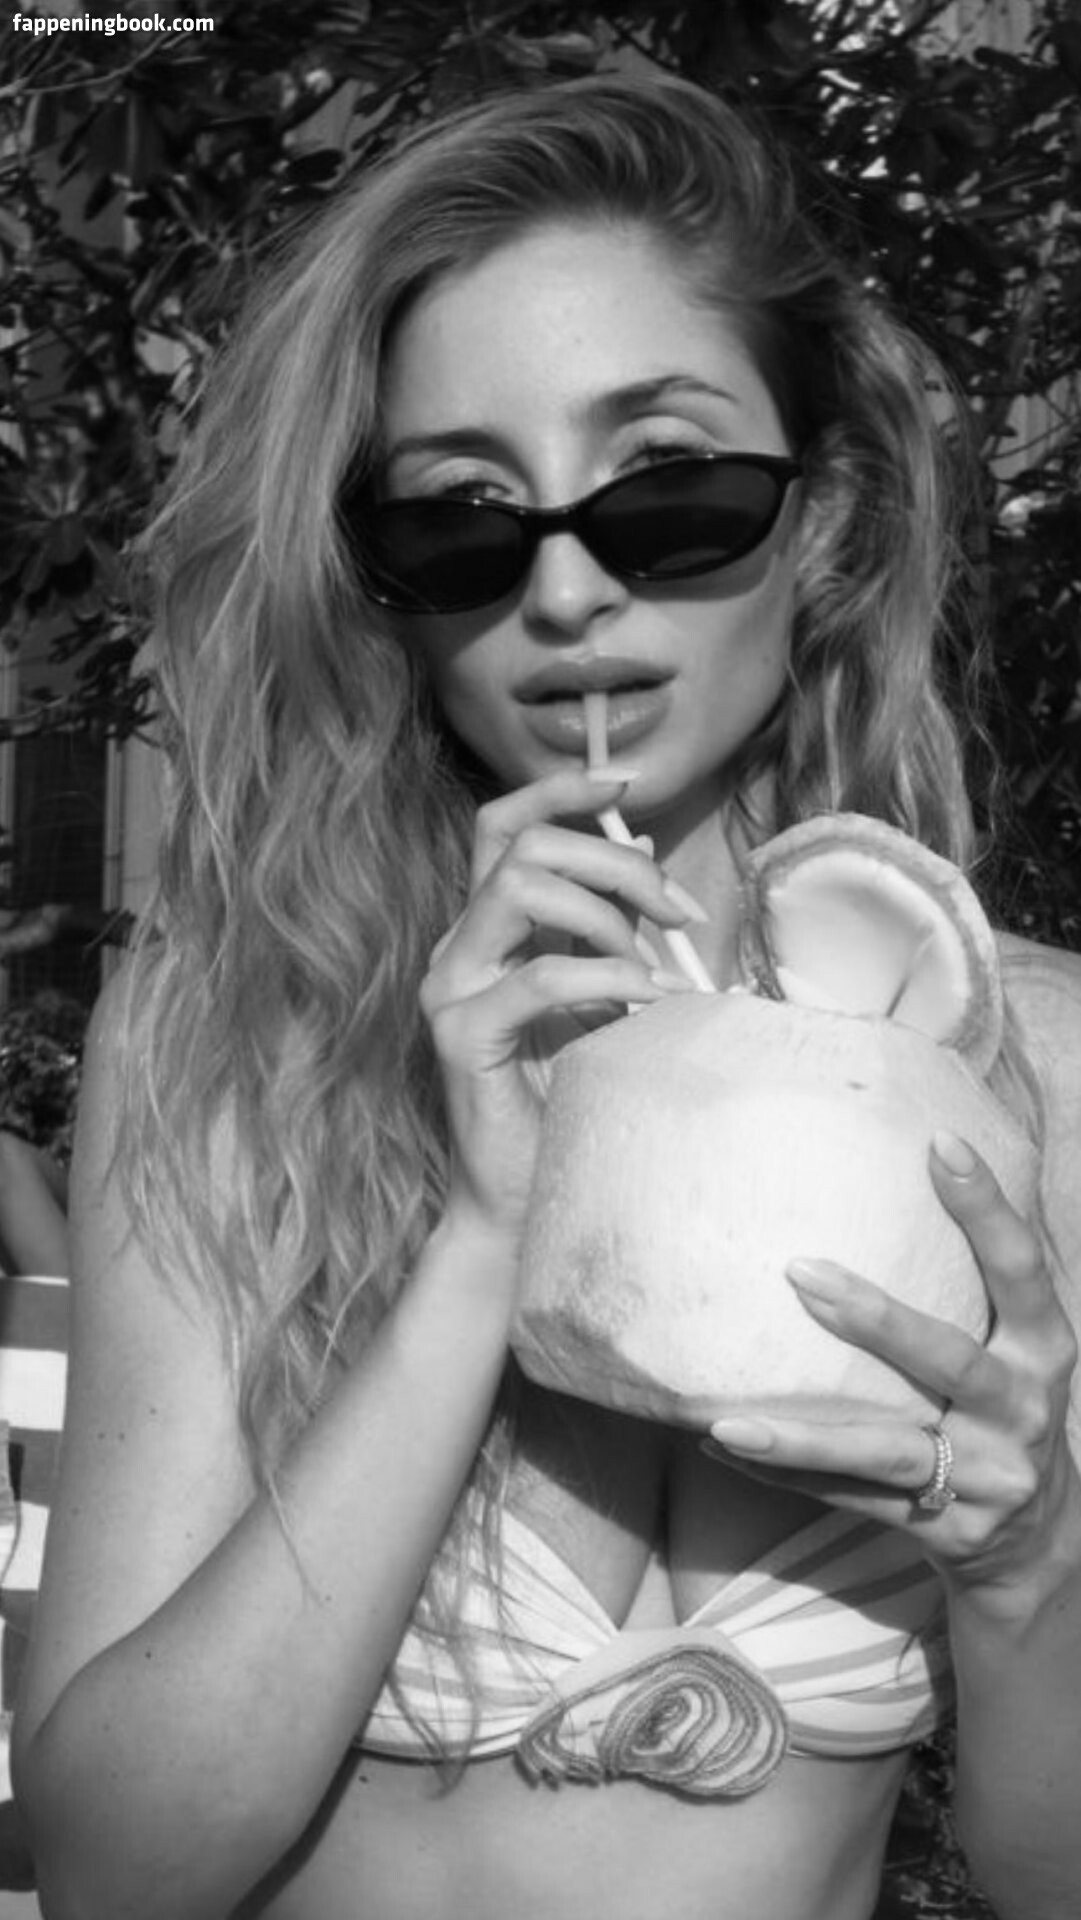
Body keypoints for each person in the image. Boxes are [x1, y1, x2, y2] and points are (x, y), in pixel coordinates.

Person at [10, 73, 1081, 1920]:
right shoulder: (238, 1036)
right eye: (464, 518)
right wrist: (483, 1233)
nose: (568, 592)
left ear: (823, 520)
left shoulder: (1026, 1063)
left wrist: (1025, 1568)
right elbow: (114, 1870)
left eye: (666, 490)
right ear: (387, 588)